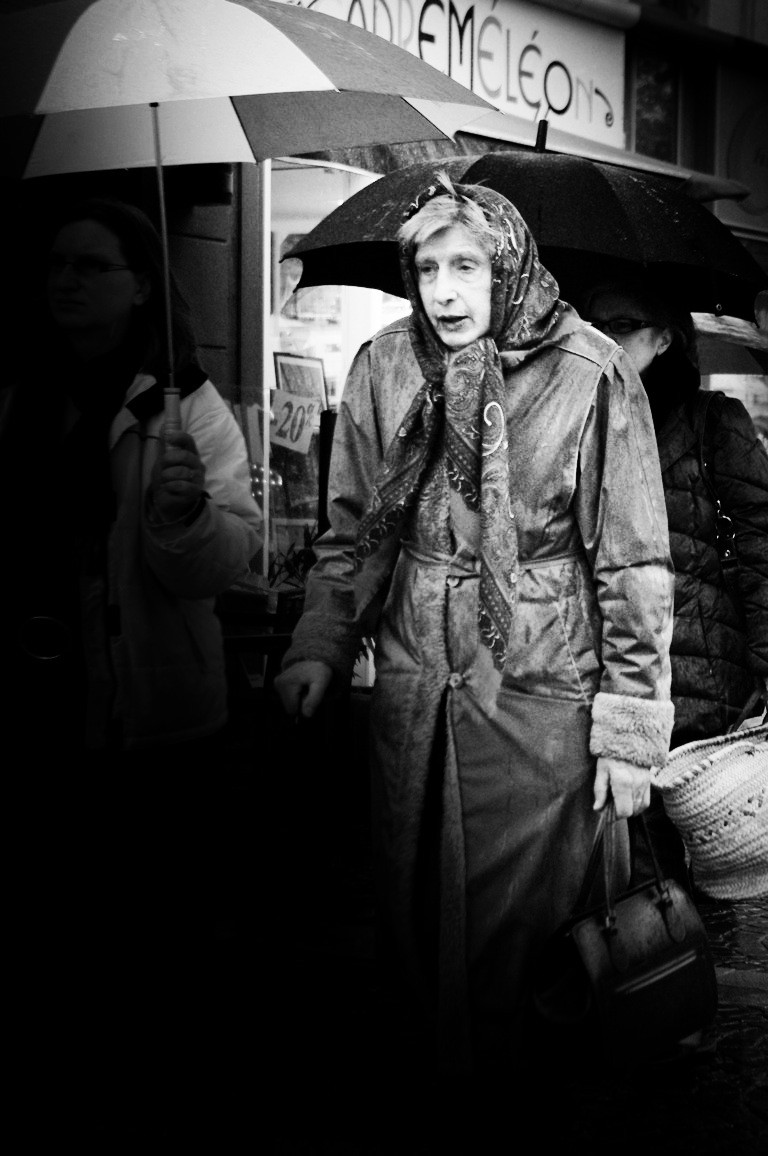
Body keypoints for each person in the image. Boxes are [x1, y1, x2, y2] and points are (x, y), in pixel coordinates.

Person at [274, 175, 675, 1077]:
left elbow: (633, 564)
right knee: (413, 900)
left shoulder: (591, 371)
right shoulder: (385, 365)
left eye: (467, 267)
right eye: (428, 269)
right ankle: (440, 1083)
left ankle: (514, 1093)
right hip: (415, 680)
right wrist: (320, 645)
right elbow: (352, 532)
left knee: (525, 922)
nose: (445, 293)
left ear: (509, 269)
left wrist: (629, 736)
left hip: (540, 688)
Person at [0, 196, 261, 1127]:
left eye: (92, 266)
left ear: (142, 285)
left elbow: (219, 569)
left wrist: (185, 514)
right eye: (57, 265)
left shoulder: (185, 408)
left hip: (154, 720)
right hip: (38, 703)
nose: (67, 281)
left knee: (153, 943)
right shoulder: (19, 398)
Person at [584, 278, 768, 887]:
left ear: (664, 338)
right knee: (625, 883)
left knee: (705, 874)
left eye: (621, 325)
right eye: (593, 324)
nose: (603, 338)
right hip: (605, 682)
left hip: (707, 688)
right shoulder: (581, 418)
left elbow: (762, 549)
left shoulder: (713, 422)